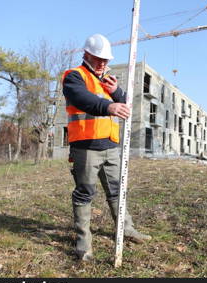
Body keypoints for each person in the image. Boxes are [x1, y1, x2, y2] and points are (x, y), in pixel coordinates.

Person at [62, 33, 151, 261]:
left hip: (111, 146)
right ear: (86, 54)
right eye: (98, 58)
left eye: (106, 60)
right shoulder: (74, 77)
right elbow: (81, 98)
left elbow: (124, 106)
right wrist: (107, 106)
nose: (103, 63)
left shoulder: (108, 80)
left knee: (117, 190)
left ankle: (126, 229)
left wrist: (116, 93)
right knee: (85, 193)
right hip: (86, 147)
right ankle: (84, 243)